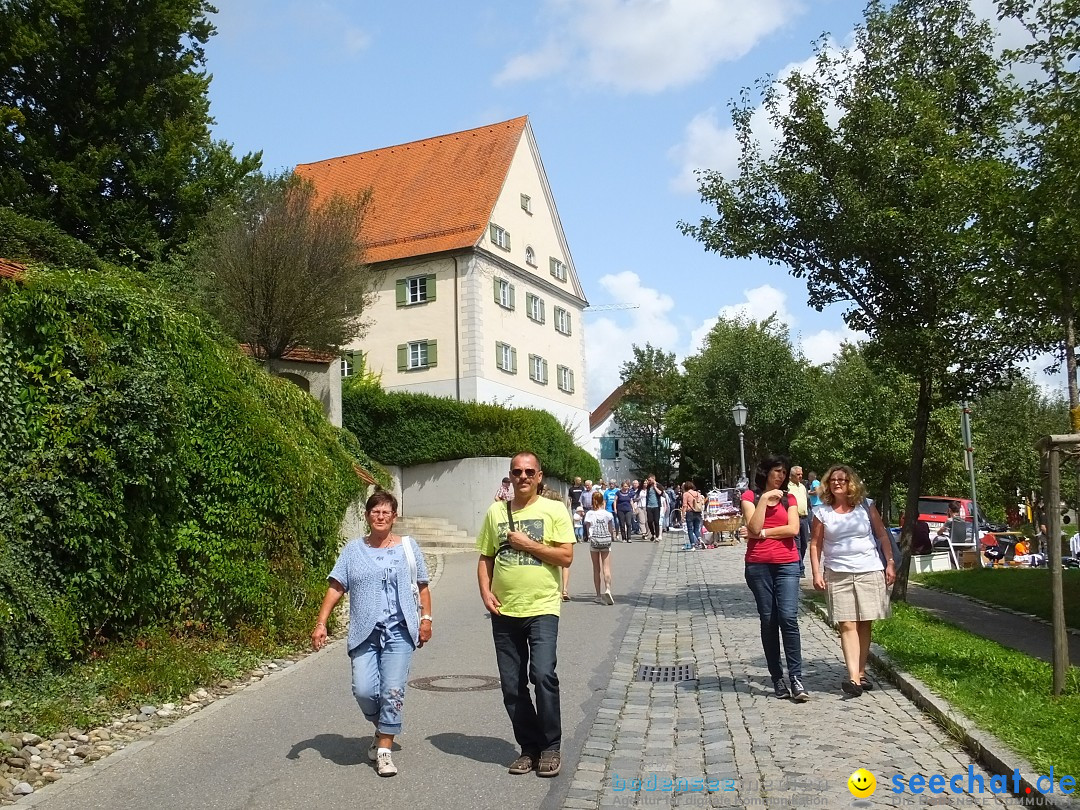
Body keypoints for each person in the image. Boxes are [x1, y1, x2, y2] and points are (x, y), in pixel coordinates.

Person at [311, 491, 433, 777]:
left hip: (399, 630)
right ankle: (383, 728)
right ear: (367, 516)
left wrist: (425, 620)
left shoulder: (408, 546)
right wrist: (321, 622)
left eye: (386, 512)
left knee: (393, 690)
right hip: (365, 632)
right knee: (364, 690)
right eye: (375, 512)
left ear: (394, 517)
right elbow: (336, 587)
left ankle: (384, 751)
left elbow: (423, 586)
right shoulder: (353, 550)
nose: (380, 517)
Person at [476, 452, 574, 778]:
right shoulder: (495, 513)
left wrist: (528, 545)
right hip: (504, 610)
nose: (523, 477)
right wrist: (485, 591)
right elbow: (485, 557)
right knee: (511, 685)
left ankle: (550, 746)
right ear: (510, 475)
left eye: (529, 472)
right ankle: (529, 747)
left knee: (543, 675)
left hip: (543, 607)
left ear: (539, 475)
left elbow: (566, 557)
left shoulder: (554, 509)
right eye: (517, 472)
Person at [809, 465, 895, 697]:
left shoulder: (866, 506)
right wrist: (816, 573)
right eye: (833, 480)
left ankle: (860, 671)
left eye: (842, 479)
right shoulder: (822, 512)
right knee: (846, 623)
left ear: (851, 483)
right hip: (838, 572)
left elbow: (882, 535)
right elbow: (815, 544)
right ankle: (853, 678)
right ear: (828, 484)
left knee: (865, 622)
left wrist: (890, 562)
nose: (837, 483)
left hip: (869, 570)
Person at [740, 456, 807, 702]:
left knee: (788, 617)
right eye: (777, 471)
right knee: (769, 620)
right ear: (766, 473)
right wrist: (765, 501)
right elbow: (752, 527)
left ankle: (797, 678)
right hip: (758, 565)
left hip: (787, 563)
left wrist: (764, 533)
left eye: (784, 472)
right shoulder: (750, 497)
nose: (781, 476)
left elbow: (793, 530)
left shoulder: (790, 498)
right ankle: (777, 677)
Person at [584, 491, 616, 604]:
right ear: (603, 501)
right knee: (606, 567)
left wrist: (589, 535)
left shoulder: (590, 514)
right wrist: (611, 536)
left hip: (594, 541)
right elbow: (610, 528)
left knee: (596, 568)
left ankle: (598, 595)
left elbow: (588, 528)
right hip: (605, 541)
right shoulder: (607, 514)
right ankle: (608, 589)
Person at [788, 466, 810, 577]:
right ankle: (800, 567)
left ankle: (798, 563)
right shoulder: (787, 487)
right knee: (797, 545)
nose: (800, 476)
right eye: (798, 474)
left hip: (804, 518)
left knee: (804, 543)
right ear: (791, 475)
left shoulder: (802, 487)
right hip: (794, 517)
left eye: (801, 474)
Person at [682, 482, 704, 551]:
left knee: (690, 529)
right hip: (698, 512)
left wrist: (682, 515)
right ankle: (700, 539)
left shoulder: (686, 494)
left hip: (690, 512)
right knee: (696, 529)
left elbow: (685, 505)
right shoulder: (698, 493)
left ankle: (693, 545)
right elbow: (702, 503)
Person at [644, 476, 663, 542]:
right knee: (649, 521)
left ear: (653, 479)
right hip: (649, 506)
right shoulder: (648, 486)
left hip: (656, 506)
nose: (649, 481)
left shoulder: (658, 485)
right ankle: (653, 534)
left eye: (650, 480)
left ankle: (657, 536)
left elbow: (661, 493)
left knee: (656, 521)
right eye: (648, 480)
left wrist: (655, 487)